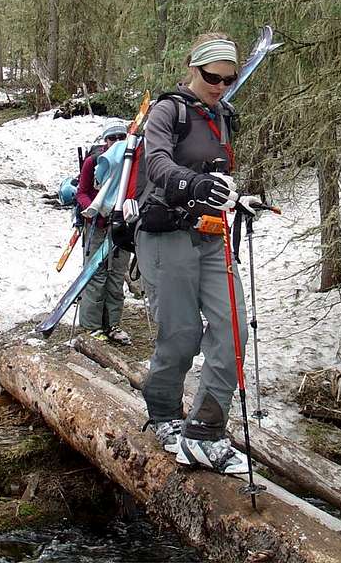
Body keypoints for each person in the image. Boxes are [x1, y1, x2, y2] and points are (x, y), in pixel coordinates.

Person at [136, 33, 263, 474]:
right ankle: (164, 414)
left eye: (228, 80)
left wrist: (236, 197)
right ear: (195, 68)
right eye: (213, 77)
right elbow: (158, 165)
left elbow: (219, 174)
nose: (220, 86)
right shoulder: (167, 112)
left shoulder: (223, 115)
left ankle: (205, 432)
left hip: (212, 236)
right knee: (182, 334)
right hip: (166, 235)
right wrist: (191, 184)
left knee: (233, 330)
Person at [76, 121, 133, 345]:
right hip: (97, 226)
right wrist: (91, 209)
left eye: (121, 137)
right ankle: (92, 326)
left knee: (116, 275)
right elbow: (81, 192)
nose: (116, 142)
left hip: (121, 227)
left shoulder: (131, 163)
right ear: (105, 141)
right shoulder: (93, 162)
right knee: (96, 275)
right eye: (112, 138)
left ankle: (112, 324)